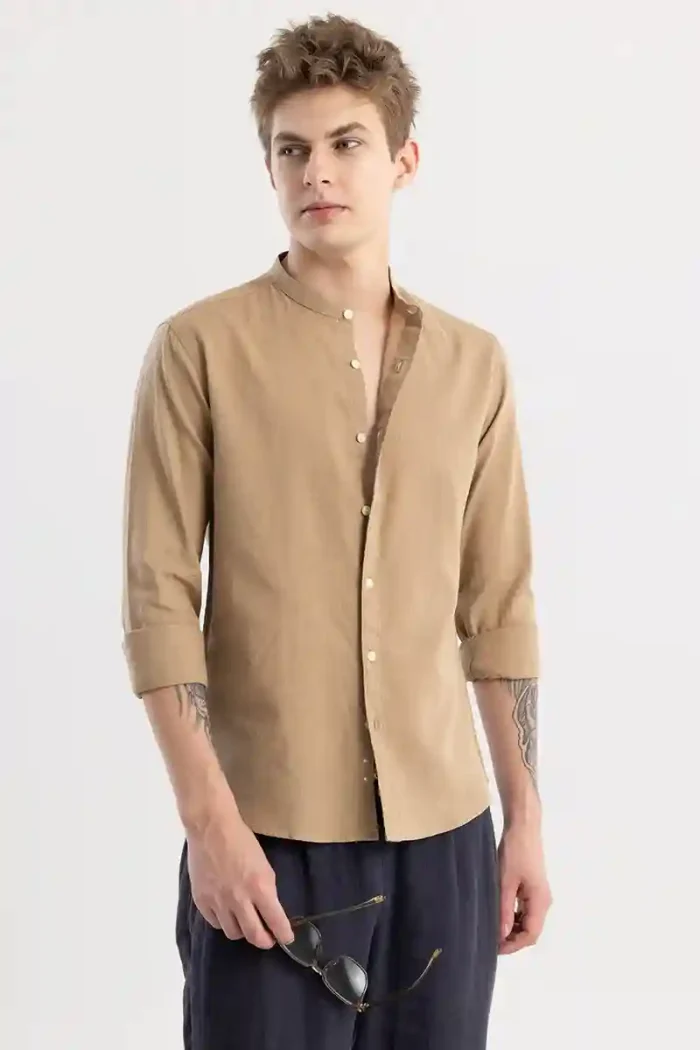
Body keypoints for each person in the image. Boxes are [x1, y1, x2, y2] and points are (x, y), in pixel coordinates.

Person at [121, 13, 552, 1050]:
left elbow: (496, 609)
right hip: (268, 841)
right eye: (292, 149)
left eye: (347, 142)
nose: (317, 171)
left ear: (403, 161)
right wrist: (209, 827)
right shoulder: (199, 349)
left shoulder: (474, 365)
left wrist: (524, 821)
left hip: (445, 840)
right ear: (268, 167)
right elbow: (158, 603)